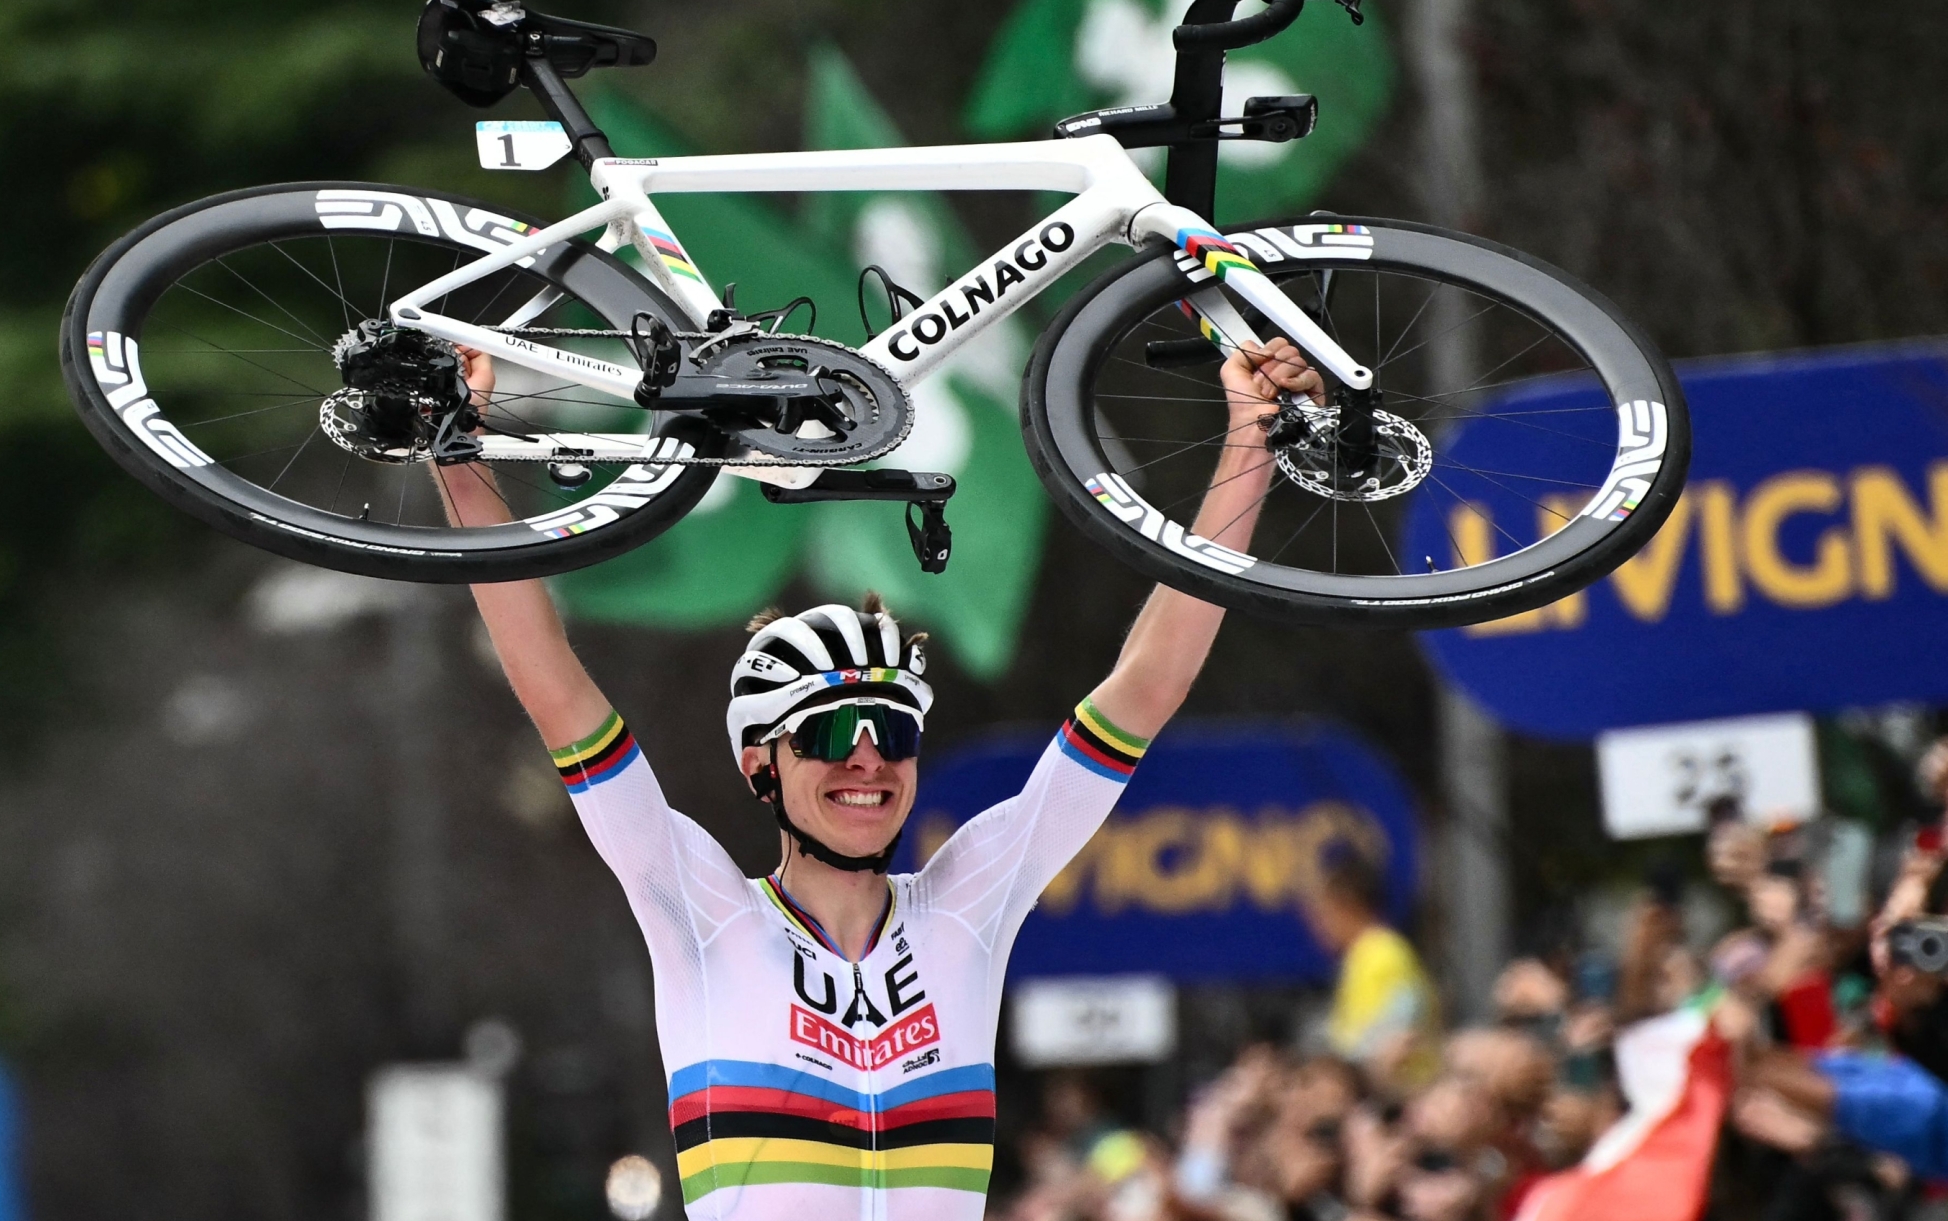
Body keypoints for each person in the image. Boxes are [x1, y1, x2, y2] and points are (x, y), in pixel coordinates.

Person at [439, 336, 1320, 1219]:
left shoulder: (971, 900)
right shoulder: (704, 909)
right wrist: (460, 457)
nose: (866, 758)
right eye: (826, 732)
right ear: (761, 766)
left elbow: (1149, 685)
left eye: (892, 730)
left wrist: (1251, 439)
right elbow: (553, 685)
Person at [1303, 846, 1441, 1092]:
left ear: (1347, 906)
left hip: (1404, 1099)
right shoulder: (1362, 956)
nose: (1317, 927)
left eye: (1322, 913)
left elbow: (1391, 1031)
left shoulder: (1384, 952)